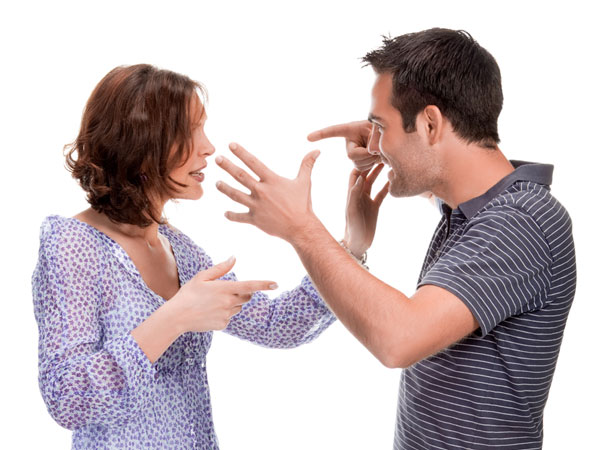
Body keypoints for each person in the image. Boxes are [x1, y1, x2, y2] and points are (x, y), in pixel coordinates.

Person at [215, 28, 577, 449]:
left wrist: (301, 228)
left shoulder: (520, 221)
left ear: (429, 123)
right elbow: (444, 180)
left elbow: (399, 340)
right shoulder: (479, 210)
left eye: (380, 126)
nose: (374, 142)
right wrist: (386, 143)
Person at [31, 64, 335, 449]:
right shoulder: (73, 245)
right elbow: (67, 398)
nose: (208, 146)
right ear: (142, 143)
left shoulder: (181, 251)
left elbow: (276, 325)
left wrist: (347, 249)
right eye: (191, 130)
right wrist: (174, 318)